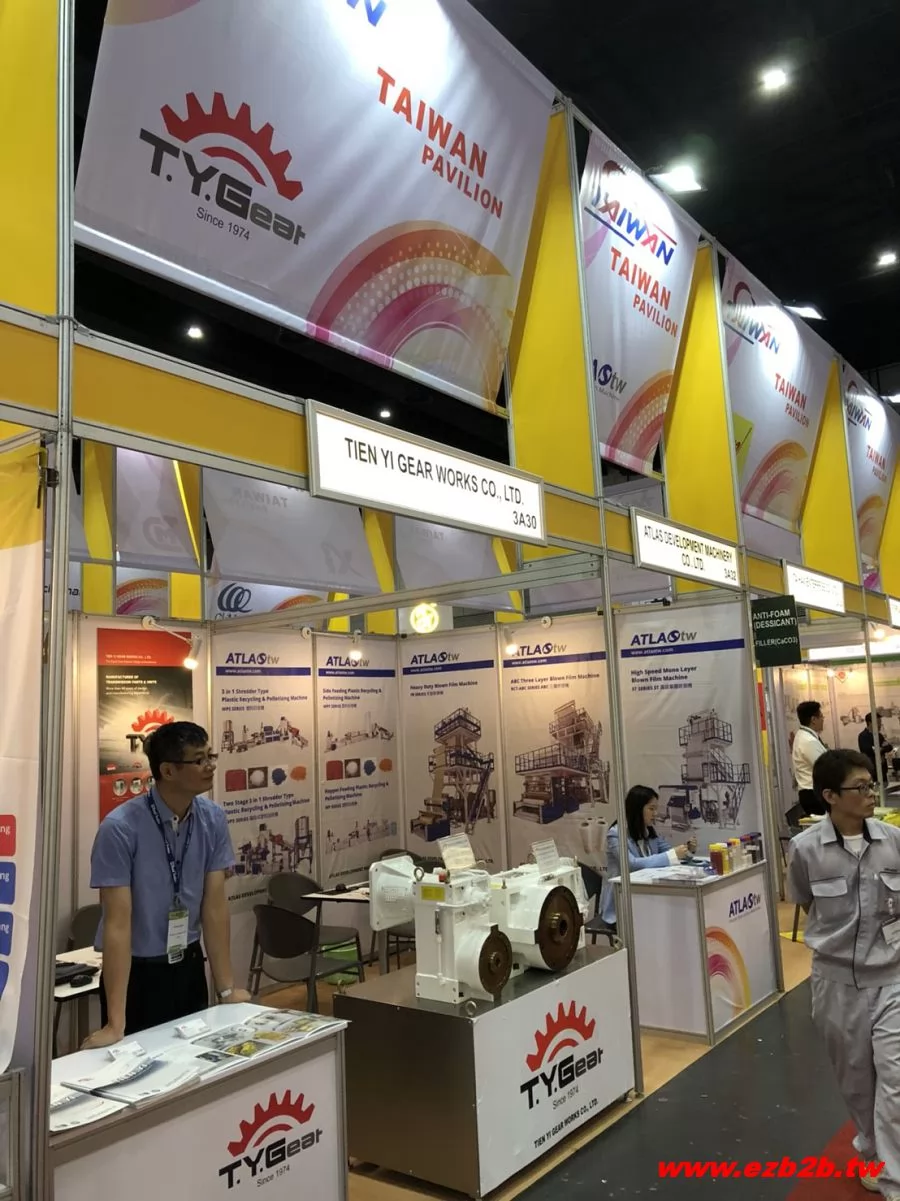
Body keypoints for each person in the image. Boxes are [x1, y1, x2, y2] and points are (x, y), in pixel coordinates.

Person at [84, 722, 249, 1047]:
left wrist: (226, 989)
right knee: (141, 1066)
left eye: (211, 756)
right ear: (168, 771)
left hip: (188, 965)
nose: (210, 766)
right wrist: (115, 1023)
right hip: (139, 974)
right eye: (199, 760)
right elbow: (118, 924)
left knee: (195, 1061)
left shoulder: (213, 818)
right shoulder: (119, 829)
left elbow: (215, 907)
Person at [787, 749, 900, 1199]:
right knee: (857, 1082)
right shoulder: (805, 849)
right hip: (835, 983)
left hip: (891, 977)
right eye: (861, 787)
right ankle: (872, 1152)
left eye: (871, 784)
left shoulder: (894, 841)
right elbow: (803, 900)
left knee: (896, 1077)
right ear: (830, 796)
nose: (871, 793)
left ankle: (894, 1181)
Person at [601, 786, 696, 927]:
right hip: (622, 905)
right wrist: (672, 855)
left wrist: (687, 850)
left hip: (648, 897)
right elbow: (631, 864)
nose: (655, 814)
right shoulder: (616, 834)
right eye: (651, 809)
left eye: (656, 809)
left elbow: (669, 852)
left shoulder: (648, 831)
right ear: (637, 809)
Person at [791, 700, 828, 816]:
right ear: (813, 719)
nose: (823, 720)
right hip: (813, 794)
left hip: (811, 793)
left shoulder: (804, 735)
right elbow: (825, 767)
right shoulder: (808, 741)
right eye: (821, 716)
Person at [859, 712, 894, 784]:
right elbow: (867, 750)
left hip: (882, 771)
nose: (880, 725)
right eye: (878, 722)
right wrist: (881, 748)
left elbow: (889, 747)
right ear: (870, 723)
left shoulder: (879, 735)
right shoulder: (863, 736)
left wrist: (880, 749)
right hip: (871, 771)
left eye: (880, 722)